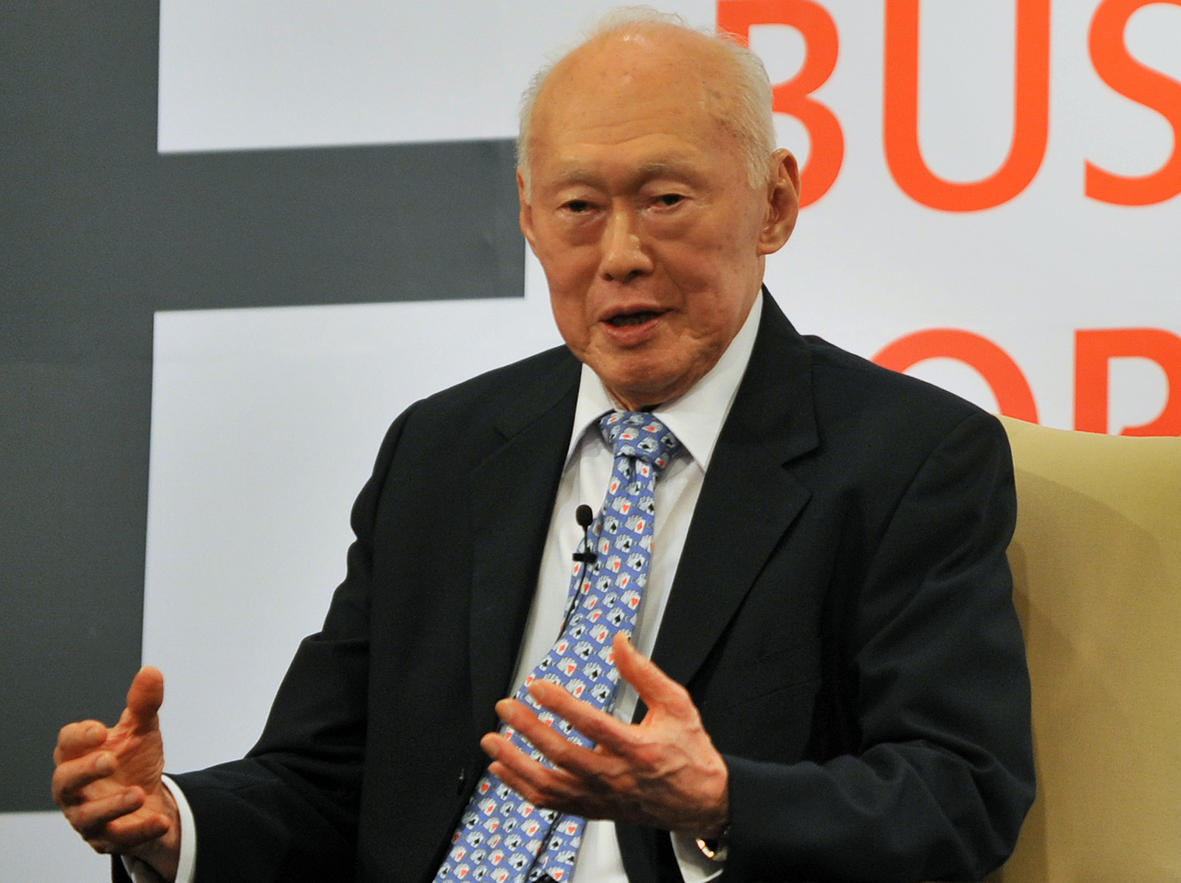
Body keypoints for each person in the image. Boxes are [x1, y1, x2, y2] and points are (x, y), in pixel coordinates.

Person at [52, 9, 1034, 882]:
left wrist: (719, 798)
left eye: (665, 199)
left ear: (773, 203)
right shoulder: (441, 451)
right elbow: (327, 778)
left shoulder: (907, 458)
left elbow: (958, 792)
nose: (620, 255)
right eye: (578, 209)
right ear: (527, 214)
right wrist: (171, 822)